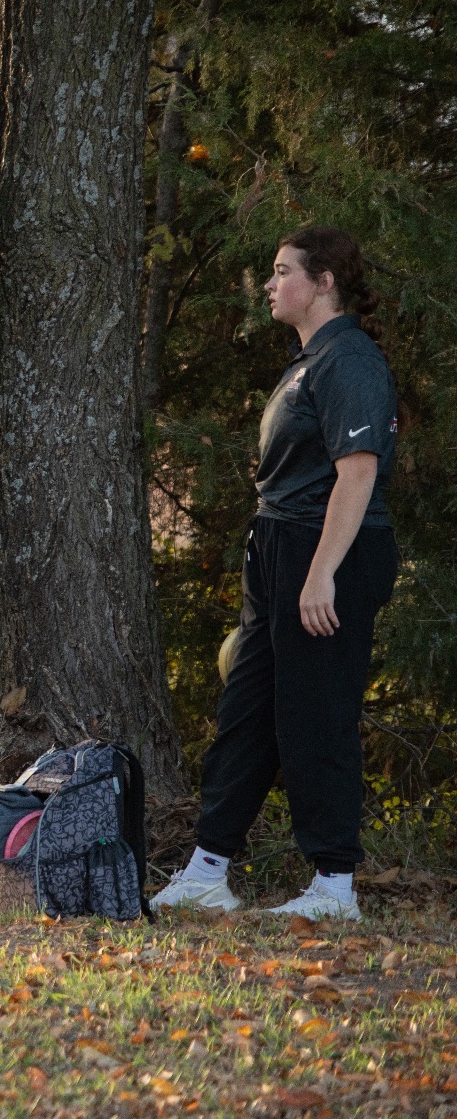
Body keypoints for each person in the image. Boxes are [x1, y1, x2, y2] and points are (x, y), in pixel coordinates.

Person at [151, 226, 398, 921]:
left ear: (324, 282)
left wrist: (321, 575)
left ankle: (335, 885)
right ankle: (207, 867)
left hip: (329, 552)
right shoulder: (307, 359)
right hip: (280, 549)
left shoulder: (349, 359)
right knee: (248, 712)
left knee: (317, 715)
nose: (270, 282)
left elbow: (358, 475)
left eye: (283, 270)